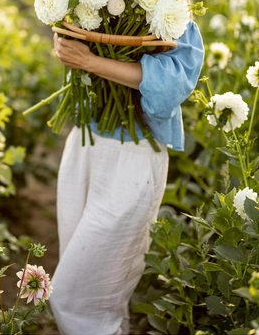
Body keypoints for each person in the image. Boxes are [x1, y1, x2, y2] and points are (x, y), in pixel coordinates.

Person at [48, 20, 204, 335]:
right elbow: (66, 42)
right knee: (98, 297)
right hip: (84, 143)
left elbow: (170, 88)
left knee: (74, 296)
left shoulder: (174, 9)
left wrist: (90, 61)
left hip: (134, 155)